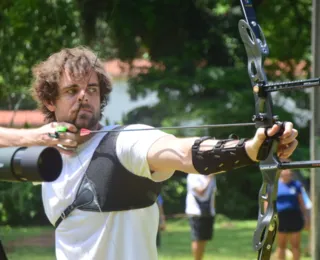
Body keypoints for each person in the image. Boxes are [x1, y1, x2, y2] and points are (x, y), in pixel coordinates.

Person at [0, 46, 298, 260]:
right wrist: (34, 137)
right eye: (71, 90)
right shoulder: (42, 157)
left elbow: (181, 153)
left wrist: (248, 149)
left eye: (92, 89)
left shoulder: (124, 142)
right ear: (50, 101)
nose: (84, 96)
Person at [275, 167, 308, 260]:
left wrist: (305, 216)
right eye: (285, 171)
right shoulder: (275, 185)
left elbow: (301, 202)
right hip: (281, 218)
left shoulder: (296, 185)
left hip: (295, 217)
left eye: (289, 171)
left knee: (295, 245)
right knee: (281, 245)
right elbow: (268, 202)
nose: (287, 173)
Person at [185, 173, 216, 260]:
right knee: (197, 239)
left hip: (208, 212)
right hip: (196, 212)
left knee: (204, 239)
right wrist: (209, 179)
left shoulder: (210, 176)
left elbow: (213, 194)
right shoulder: (193, 175)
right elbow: (201, 191)